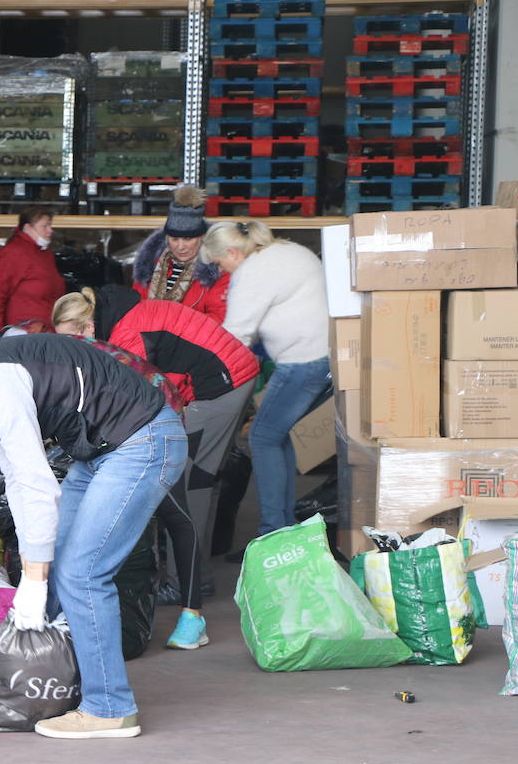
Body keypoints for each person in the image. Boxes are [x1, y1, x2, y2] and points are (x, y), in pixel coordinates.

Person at [0, 332, 186, 739]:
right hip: (99, 450)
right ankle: (25, 691)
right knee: (53, 564)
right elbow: (18, 482)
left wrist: (36, 578)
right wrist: (33, 572)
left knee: (82, 574)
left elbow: (38, 484)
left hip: (140, 441)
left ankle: (110, 708)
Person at [52, 285, 258, 650]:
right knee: (194, 483)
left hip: (220, 384)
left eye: (70, 339)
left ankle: (189, 592)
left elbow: (140, 395)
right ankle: (192, 585)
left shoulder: (124, 335)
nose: (71, 348)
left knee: (187, 487)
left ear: (85, 327)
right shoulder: (122, 316)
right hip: (215, 378)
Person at [203, 219, 329, 539]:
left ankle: (273, 533)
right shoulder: (286, 250)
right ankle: (284, 527)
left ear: (232, 252)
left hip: (302, 362)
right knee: (275, 434)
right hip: (323, 357)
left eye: (220, 263)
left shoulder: (253, 270)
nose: (221, 272)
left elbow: (235, 336)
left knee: (261, 437)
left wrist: (201, 376)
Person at [130, 184, 228, 323]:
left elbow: (220, 319)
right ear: (166, 238)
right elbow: (133, 310)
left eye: (188, 239)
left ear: (201, 237)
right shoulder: (149, 267)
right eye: (174, 239)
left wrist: (171, 324)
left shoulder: (217, 271)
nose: (180, 247)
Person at [0, 207, 66, 335]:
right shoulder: (14, 253)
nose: (50, 230)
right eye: (45, 226)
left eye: (50, 226)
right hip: (22, 332)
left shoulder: (45, 254)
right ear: (27, 228)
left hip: (43, 331)